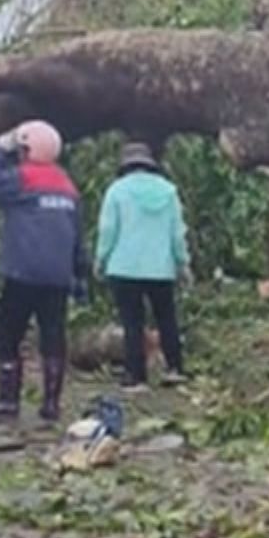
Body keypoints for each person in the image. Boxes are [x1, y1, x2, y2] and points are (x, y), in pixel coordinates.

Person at [0, 120, 86, 423]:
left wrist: (0, 150)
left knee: (8, 335)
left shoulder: (21, 179)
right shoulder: (67, 185)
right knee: (53, 337)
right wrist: (80, 276)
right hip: (58, 276)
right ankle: (51, 403)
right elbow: (77, 236)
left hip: (21, 273)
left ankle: (8, 401)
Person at [95, 141, 191, 391]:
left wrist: (100, 260)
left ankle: (136, 377)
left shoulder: (117, 191)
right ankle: (175, 369)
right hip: (161, 268)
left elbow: (108, 230)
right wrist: (183, 264)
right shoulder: (169, 192)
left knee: (132, 323)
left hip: (123, 267)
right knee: (167, 318)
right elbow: (177, 234)